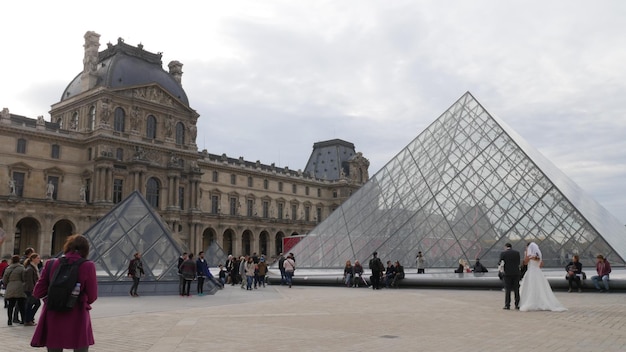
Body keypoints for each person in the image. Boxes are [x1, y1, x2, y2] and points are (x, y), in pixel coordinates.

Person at [31, 234, 98, 351]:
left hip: (53, 313)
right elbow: (92, 296)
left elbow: (37, 292)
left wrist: (52, 298)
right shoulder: (88, 265)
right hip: (78, 314)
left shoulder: (50, 263)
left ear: (67, 247)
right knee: (80, 347)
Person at [518, 242, 566, 312]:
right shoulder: (538, 255)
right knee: (540, 288)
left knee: (530, 287)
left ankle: (531, 301)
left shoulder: (528, 255)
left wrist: (526, 257)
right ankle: (540, 301)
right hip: (538, 272)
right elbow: (541, 265)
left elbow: (525, 262)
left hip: (531, 272)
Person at [3, 255, 25, 325]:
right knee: (21, 305)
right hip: (20, 287)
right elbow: (24, 278)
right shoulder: (21, 268)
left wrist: (9, 284)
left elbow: (4, 279)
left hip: (10, 287)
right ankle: (23, 320)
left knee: (10, 306)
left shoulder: (8, 268)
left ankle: (9, 320)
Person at [499, 243, 521, 310]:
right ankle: (517, 305)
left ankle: (507, 305)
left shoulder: (503, 253)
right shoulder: (517, 253)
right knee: (516, 290)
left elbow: (500, 263)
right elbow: (518, 263)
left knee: (507, 290)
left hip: (507, 274)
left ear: (505, 247)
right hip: (516, 273)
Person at [23, 253, 42, 326]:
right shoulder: (30, 269)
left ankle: (29, 319)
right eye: (37, 258)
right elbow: (30, 281)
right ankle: (28, 320)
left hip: (32, 289)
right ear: (33, 259)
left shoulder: (34, 267)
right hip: (31, 289)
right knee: (33, 304)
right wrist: (33, 291)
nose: (39, 259)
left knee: (31, 304)